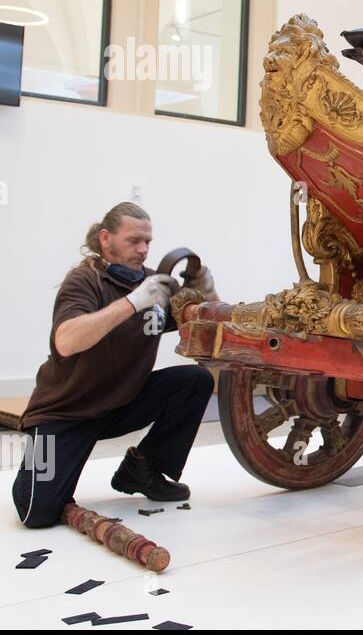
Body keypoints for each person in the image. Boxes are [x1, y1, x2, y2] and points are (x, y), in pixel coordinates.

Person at [12, 202, 218, 528]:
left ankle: (142, 470)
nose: (143, 249)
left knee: (195, 380)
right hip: (64, 413)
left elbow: (208, 324)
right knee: (36, 513)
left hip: (121, 403)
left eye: (148, 242)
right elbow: (66, 340)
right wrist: (133, 302)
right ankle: (40, 467)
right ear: (106, 238)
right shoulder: (84, 281)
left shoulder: (156, 286)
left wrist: (205, 289)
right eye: (133, 240)